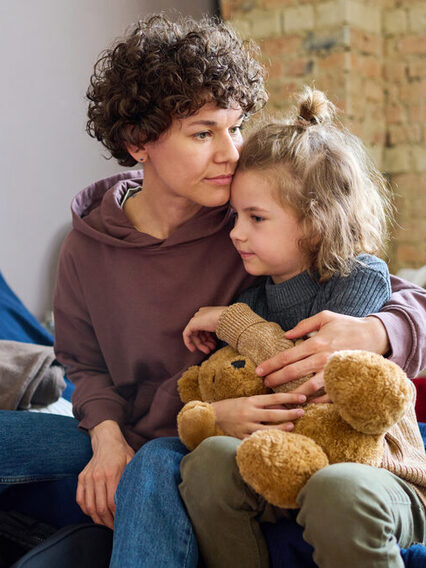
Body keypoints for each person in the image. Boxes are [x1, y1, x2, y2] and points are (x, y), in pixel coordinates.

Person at [0, 13, 425, 568]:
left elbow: (387, 290)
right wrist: (105, 436)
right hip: (123, 429)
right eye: (204, 133)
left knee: (154, 467)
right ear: (138, 143)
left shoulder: (250, 224)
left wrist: (374, 331)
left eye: (236, 126)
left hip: (196, 434)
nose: (231, 151)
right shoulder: (86, 246)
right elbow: (84, 365)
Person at [178, 89, 426, 568]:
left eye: (256, 217)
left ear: (314, 224)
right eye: (235, 216)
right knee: (206, 464)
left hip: (378, 471)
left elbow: (311, 382)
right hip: (284, 463)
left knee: (338, 488)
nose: (236, 232)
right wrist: (217, 412)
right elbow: (239, 384)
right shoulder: (251, 300)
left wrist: (233, 323)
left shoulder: (358, 277)